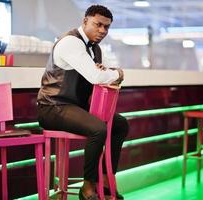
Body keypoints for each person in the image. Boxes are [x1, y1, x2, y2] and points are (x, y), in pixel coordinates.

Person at [37, 5, 128, 200]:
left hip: (74, 106)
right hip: (53, 106)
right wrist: (118, 73)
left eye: (106, 27)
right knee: (98, 129)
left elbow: (96, 76)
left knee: (120, 124)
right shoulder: (71, 42)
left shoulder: (95, 49)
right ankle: (87, 187)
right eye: (98, 24)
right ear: (85, 21)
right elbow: (97, 76)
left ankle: (104, 179)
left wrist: (104, 73)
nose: (102, 30)